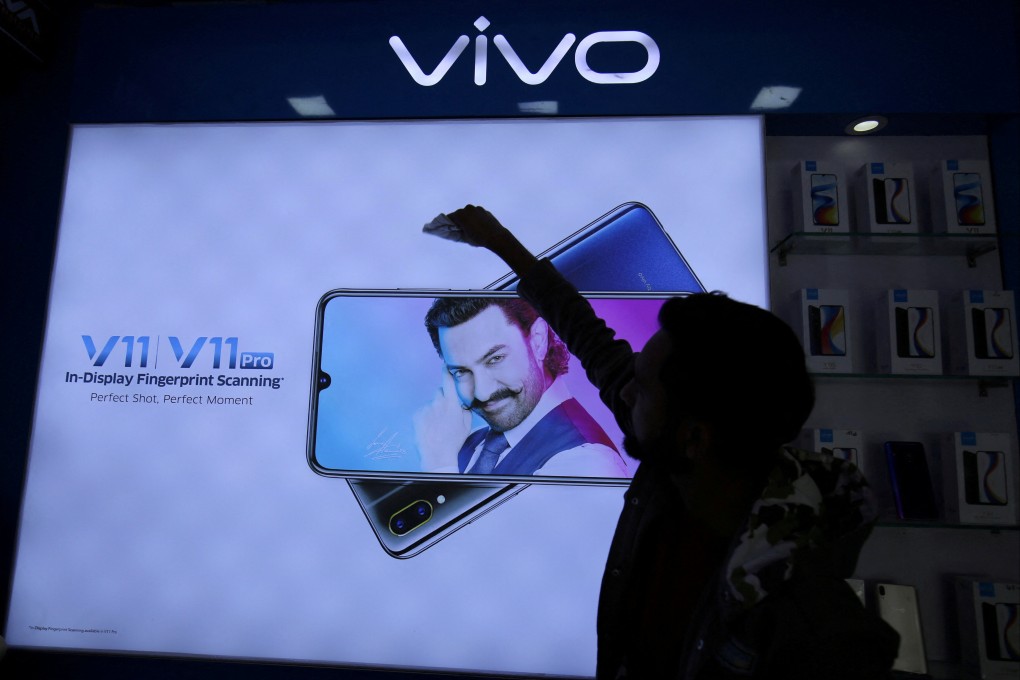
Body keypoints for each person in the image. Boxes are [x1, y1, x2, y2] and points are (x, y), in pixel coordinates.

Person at [424, 205, 900, 679]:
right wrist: (501, 243)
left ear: (694, 437)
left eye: (643, 387)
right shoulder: (683, 463)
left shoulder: (818, 636)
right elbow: (588, 337)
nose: (624, 392)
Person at [414, 295, 629, 477]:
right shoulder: (465, 444)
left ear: (538, 341)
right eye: (461, 371)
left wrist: (440, 465)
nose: (482, 392)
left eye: (495, 359)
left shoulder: (588, 464)